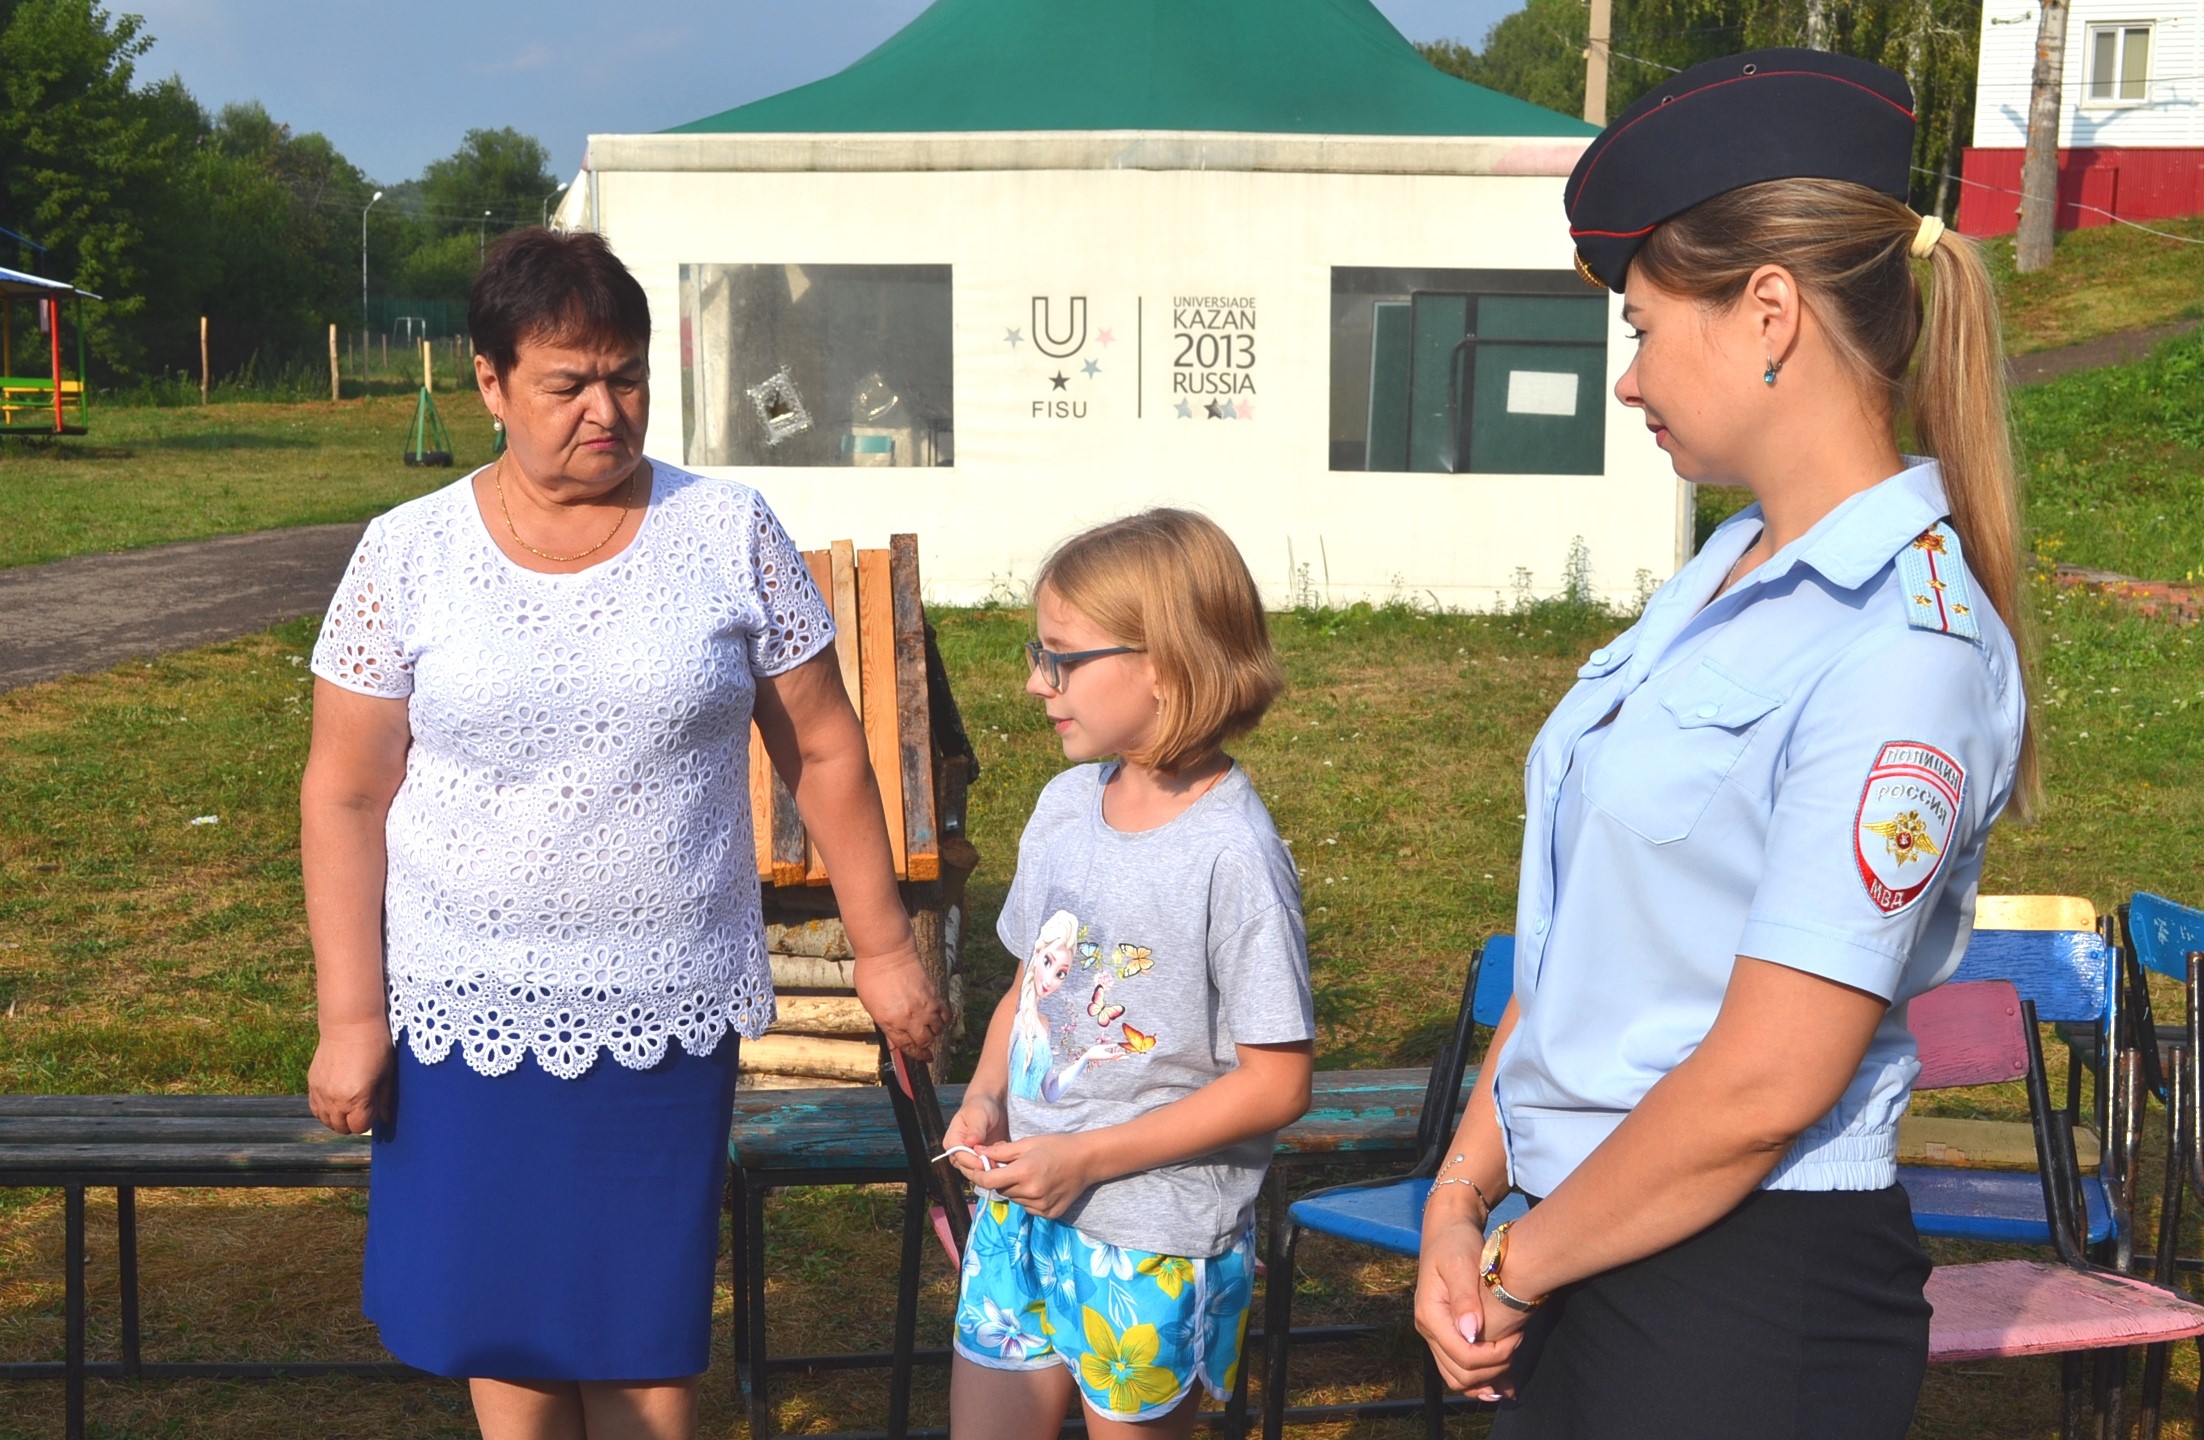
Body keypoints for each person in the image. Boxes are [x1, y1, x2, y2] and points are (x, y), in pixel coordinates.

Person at [1412, 50, 2033, 1439]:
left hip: (1740, 1296)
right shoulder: (1723, 575)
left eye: (1641, 327)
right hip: (1583, 1240)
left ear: (1768, 312)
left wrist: (1519, 1260)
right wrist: (1463, 1196)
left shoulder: (1904, 643)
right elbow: (1586, 941)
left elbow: (1768, 1082)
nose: (1627, 380)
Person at [300, 227, 946, 1440]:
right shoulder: (408, 553)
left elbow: (823, 747)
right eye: (567, 383)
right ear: (488, 384)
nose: (605, 409)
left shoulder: (729, 529)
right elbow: (342, 794)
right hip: (462, 1012)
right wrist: (350, 1020)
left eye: (627, 376)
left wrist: (885, 946)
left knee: (643, 1329)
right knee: (508, 1320)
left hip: (661, 1010)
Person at [941, 510, 1315, 1438]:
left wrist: (1086, 1160)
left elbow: (1279, 1082)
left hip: (1153, 1244)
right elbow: (1034, 987)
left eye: (1060, 657)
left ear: (1165, 662)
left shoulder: (1235, 856)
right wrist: (987, 1098)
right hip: (1022, 1220)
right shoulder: (1065, 806)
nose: (1036, 683)